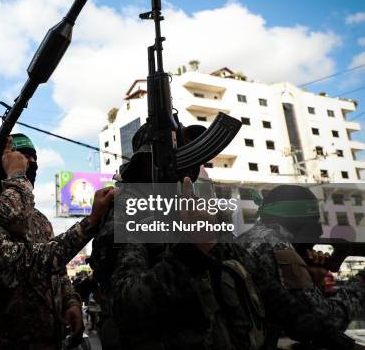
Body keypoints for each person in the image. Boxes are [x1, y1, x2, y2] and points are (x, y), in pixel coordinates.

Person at [91, 122, 360, 350]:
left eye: (189, 159)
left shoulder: (196, 212)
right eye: (178, 158)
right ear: (148, 164)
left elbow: (274, 295)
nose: (188, 168)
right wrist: (191, 252)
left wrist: (340, 342)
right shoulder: (128, 214)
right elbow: (128, 307)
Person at [0, 133, 84, 349]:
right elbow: (14, 216)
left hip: (46, 338)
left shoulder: (39, 219)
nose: (30, 163)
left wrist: (70, 301)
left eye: (33, 157)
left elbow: (56, 267)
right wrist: (17, 174)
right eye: (23, 156)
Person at [237, 185, 365, 349]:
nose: (319, 230)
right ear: (297, 220)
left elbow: (291, 308)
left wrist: (314, 279)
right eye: (314, 220)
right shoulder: (279, 248)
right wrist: (361, 281)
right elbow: (328, 321)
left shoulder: (249, 238)